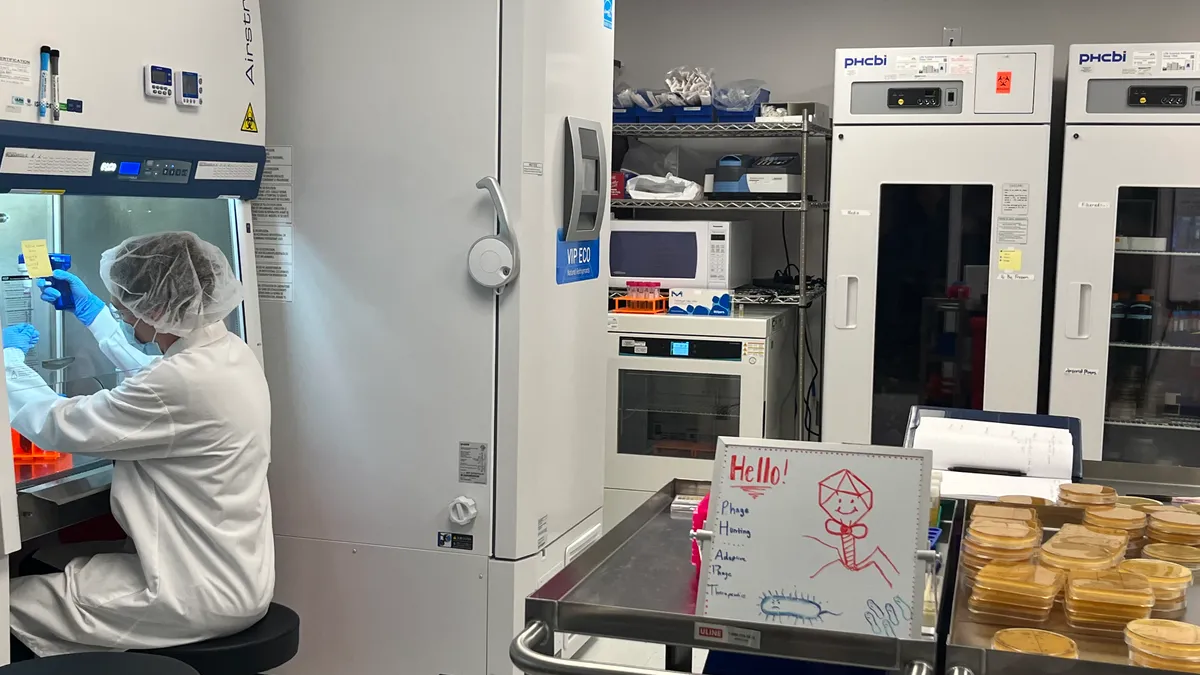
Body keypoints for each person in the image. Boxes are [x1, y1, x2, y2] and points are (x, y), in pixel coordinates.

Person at [1, 232, 274, 659]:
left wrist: (7, 361)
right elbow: (153, 373)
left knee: (6, 608)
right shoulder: (230, 354)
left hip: (189, 594)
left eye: (125, 303)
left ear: (160, 308)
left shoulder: (181, 383)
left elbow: (57, 423)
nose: (123, 311)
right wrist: (94, 317)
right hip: (235, 576)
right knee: (42, 563)